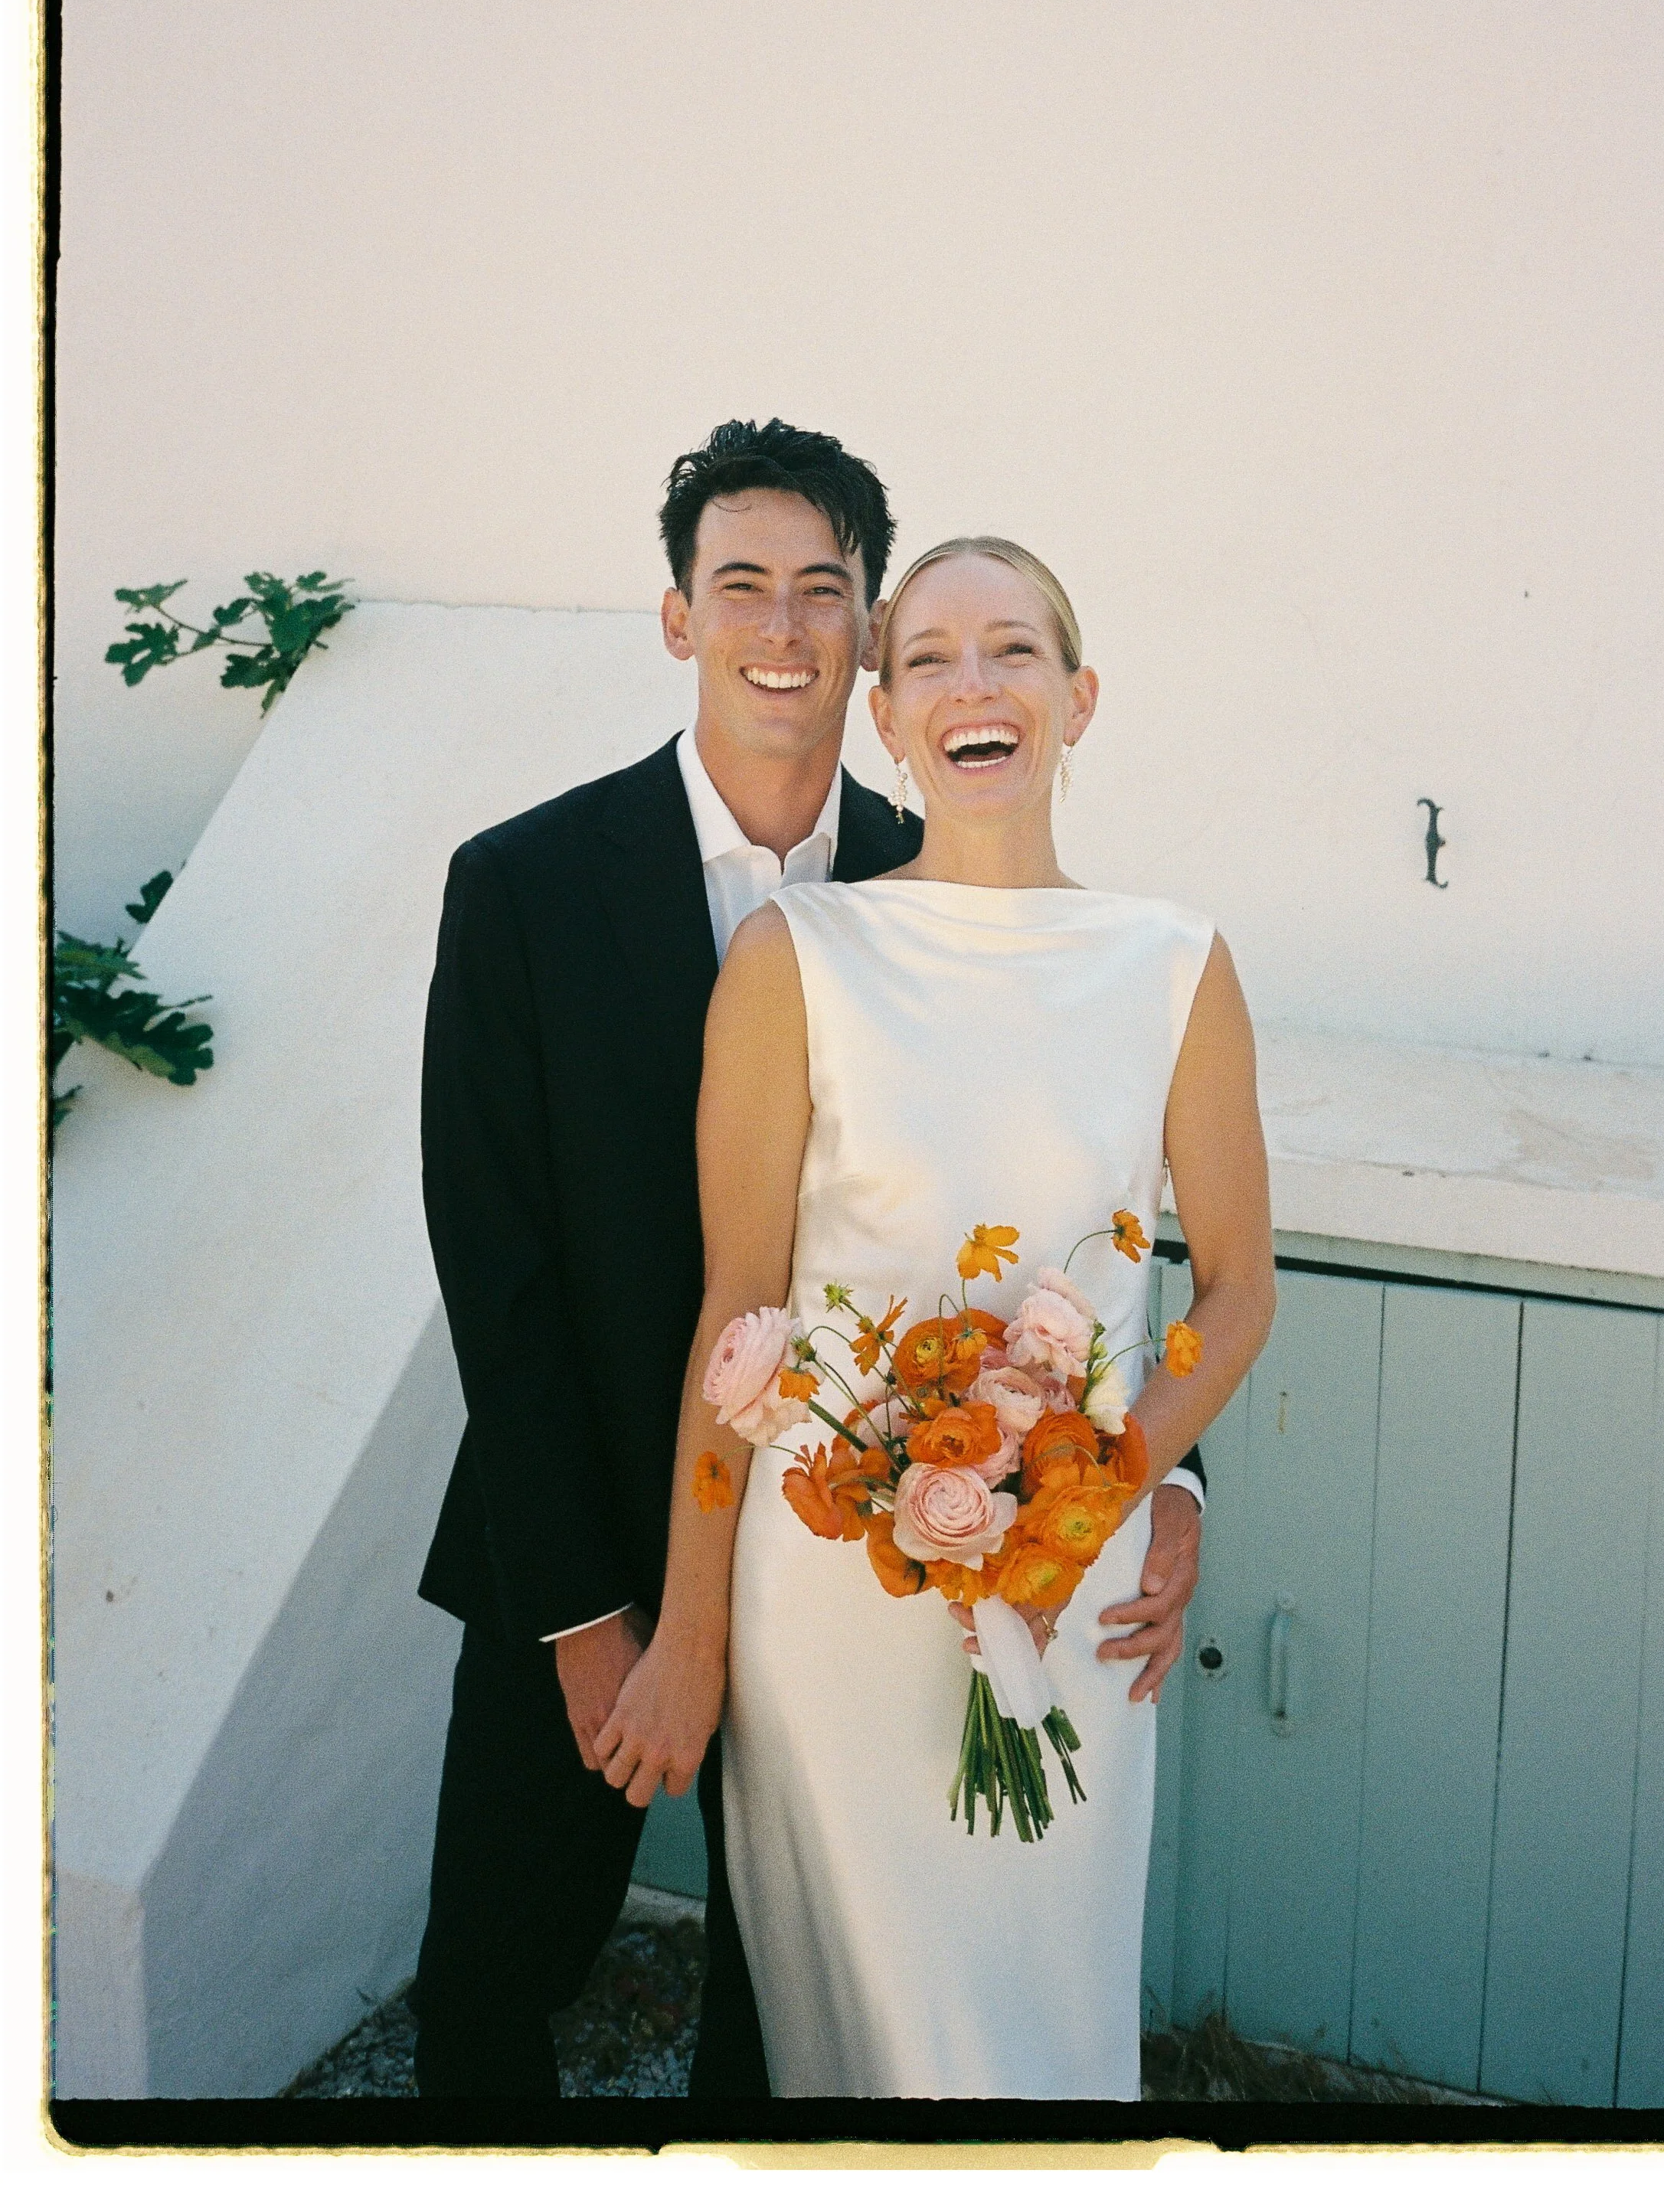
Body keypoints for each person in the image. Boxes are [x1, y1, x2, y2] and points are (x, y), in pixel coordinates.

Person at [410, 432, 1208, 2113]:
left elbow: (1080, 1198)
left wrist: (1156, 1474)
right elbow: (501, 1279)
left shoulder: (952, 877)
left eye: (824, 592)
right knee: (496, 1984)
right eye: (740, 586)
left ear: (863, 640)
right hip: (577, 1552)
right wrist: (584, 1615)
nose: (784, 624)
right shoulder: (522, 885)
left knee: (794, 2022)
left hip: (855, 1573)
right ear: (677, 617)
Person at [599, 534, 1276, 2099]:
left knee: (1041, 2039)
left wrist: (1103, 1497)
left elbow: (1235, 1292)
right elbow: (738, 1310)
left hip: (1072, 1592)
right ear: (888, 719)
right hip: (825, 1596)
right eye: (928, 661)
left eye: (1014, 651)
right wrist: (691, 1629)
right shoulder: (796, 957)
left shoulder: (1173, 965)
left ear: (1079, 698)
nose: (973, 684)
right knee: (864, 2055)